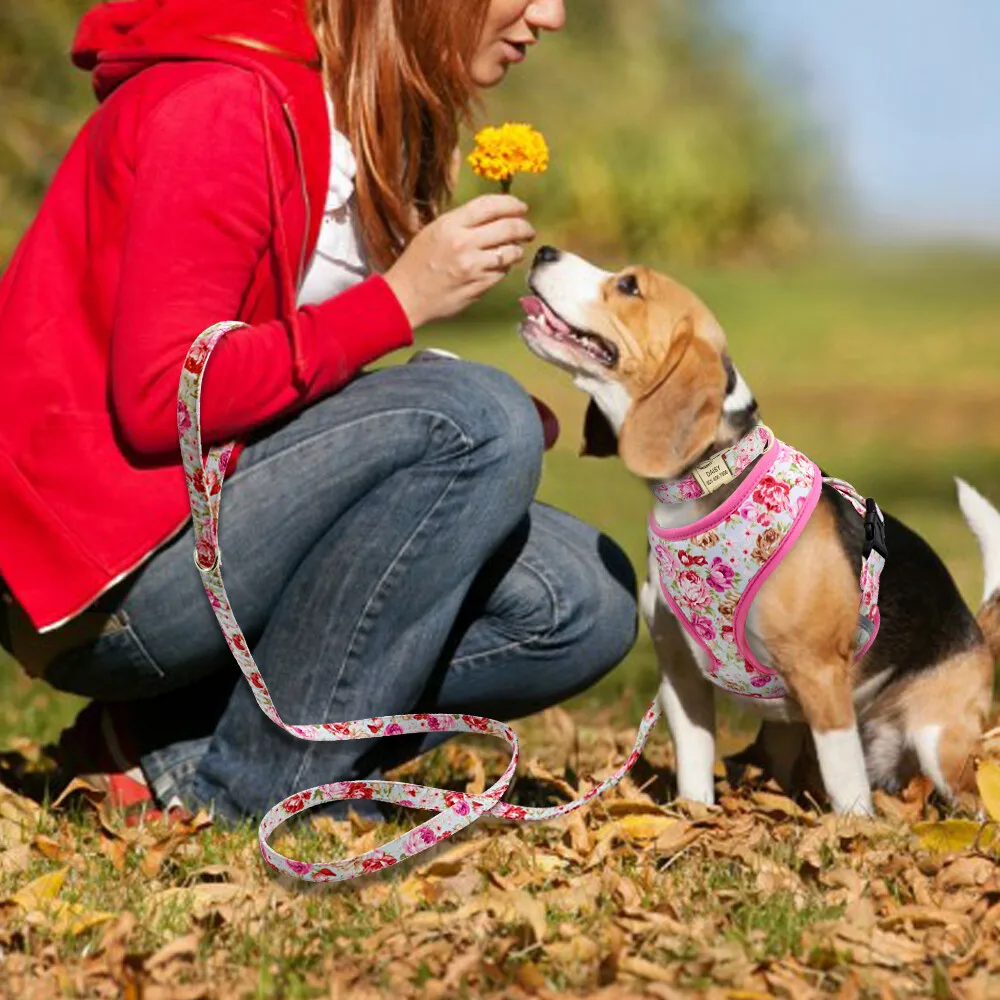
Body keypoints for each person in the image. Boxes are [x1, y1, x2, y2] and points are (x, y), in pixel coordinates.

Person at [0, 0, 637, 824]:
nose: (550, 14)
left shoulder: (346, 114)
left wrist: (406, 410)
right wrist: (400, 309)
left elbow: (277, 370)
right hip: (111, 582)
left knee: (584, 603)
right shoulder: (225, 104)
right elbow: (169, 398)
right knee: (473, 420)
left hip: (208, 525)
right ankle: (257, 793)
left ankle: (173, 745)